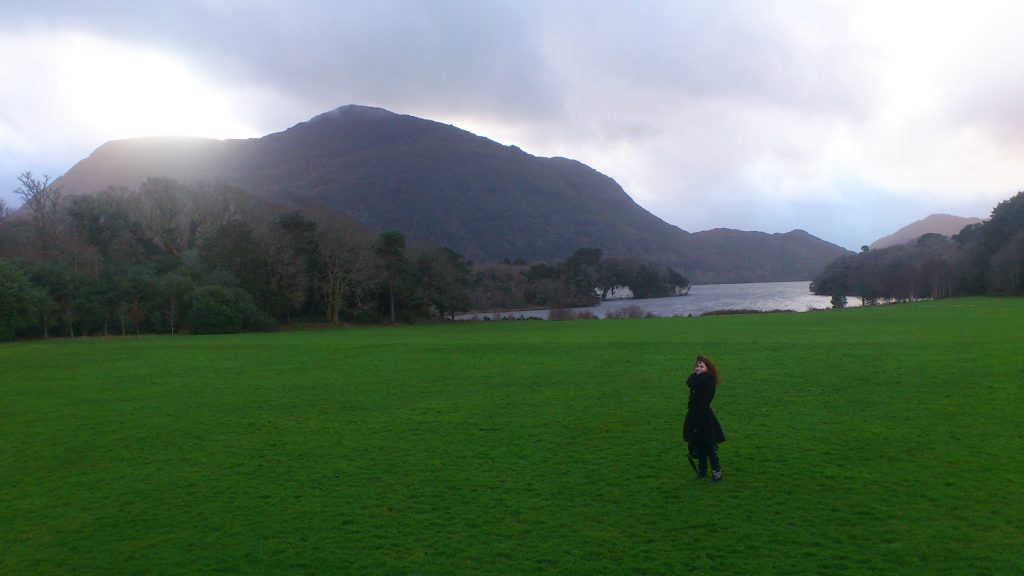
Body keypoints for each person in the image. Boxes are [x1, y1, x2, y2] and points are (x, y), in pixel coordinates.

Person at [684, 355, 726, 482]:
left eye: (701, 366)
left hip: (703, 417)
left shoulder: (707, 382)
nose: (698, 368)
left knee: (708, 446)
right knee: (698, 444)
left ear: (708, 369)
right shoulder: (696, 380)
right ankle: (702, 471)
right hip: (694, 415)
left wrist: (697, 422)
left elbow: (704, 403)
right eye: (697, 366)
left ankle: (717, 473)